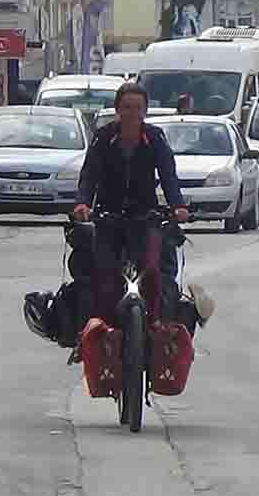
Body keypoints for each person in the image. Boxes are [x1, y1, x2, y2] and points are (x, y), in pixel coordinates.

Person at [72, 82, 190, 320]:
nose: (132, 113)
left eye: (137, 108)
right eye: (126, 107)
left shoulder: (155, 137)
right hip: (108, 215)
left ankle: (159, 323)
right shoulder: (103, 137)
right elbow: (89, 174)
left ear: (145, 111)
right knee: (103, 273)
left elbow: (168, 174)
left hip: (145, 216)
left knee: (157, 271)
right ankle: (97, 325)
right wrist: (83, 203)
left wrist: (178, 206)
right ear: (117, 109)